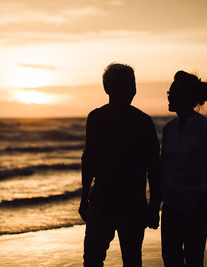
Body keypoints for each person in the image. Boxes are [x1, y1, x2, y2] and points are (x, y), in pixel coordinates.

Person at [79, 63, 161, 267]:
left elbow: (155, 168)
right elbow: (89, 159)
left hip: (133, 203)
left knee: (132, 260)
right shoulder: (96, 118)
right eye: (123, 86)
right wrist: (84, 198)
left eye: (131, 86)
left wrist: (153, 207)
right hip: (101, 200)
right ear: (108, 89)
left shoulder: (143, 122)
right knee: (92, 259)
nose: (129, 91)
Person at [161, 71, 207, 267]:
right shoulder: (168, 129)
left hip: (197, 205)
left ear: (188, 98)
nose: (168, 96)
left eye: (173, 92)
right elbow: (165, 167)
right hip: (171, 205)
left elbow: (205, 170)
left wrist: (199, 207)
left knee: (193, 257)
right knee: (170, 257)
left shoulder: (206, 128)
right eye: (169, 91)